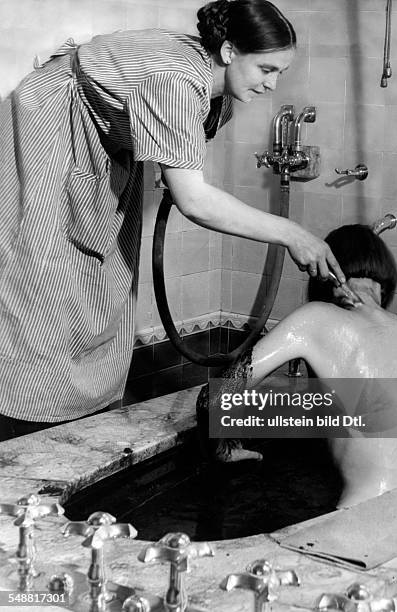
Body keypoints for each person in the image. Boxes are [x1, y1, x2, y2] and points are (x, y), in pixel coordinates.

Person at [0, 0, 346, 439]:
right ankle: (19, 435)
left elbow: (181, 165)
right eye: (265, 69)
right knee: (40, 282)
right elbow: (194, 201)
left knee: (101, 282)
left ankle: (79, 429)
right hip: (49, 132)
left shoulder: (210, 85)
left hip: (100, 148)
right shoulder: (176, 79)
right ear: (228, 52)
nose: (272, 85)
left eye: (280, 72)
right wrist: (293, 235)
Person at [197, 224, 397, 508]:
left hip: (365, 511)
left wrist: (222, 449)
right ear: (384, 284)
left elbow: (215, 397)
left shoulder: (317, 318)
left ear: (326, 276)